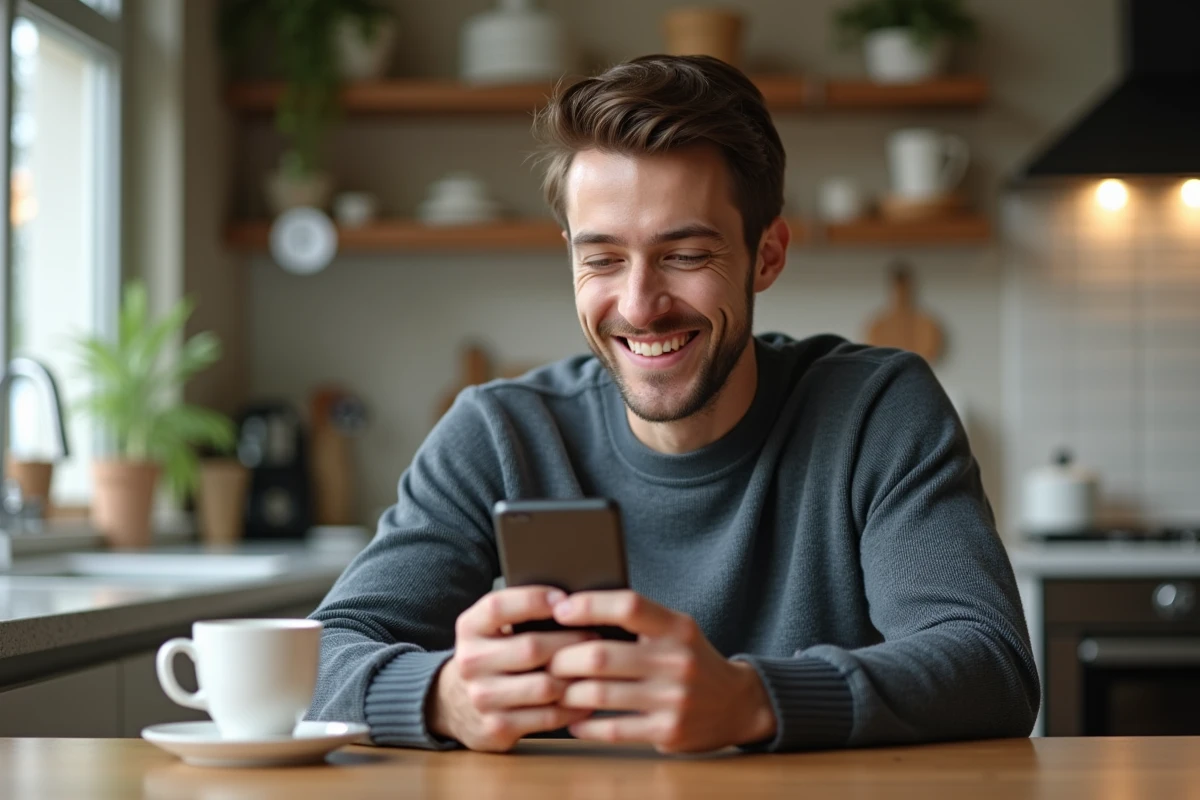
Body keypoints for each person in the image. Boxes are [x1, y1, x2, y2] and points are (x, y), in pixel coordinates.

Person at [307, 54, 1039, 754]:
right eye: (601, 258)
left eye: (686, 256)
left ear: (768, 254)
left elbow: (990, 663)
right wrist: (442, 695)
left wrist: (752, 699)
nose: (639, 306)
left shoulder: (877, 409)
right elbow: (321, 659)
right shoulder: (499, 431)